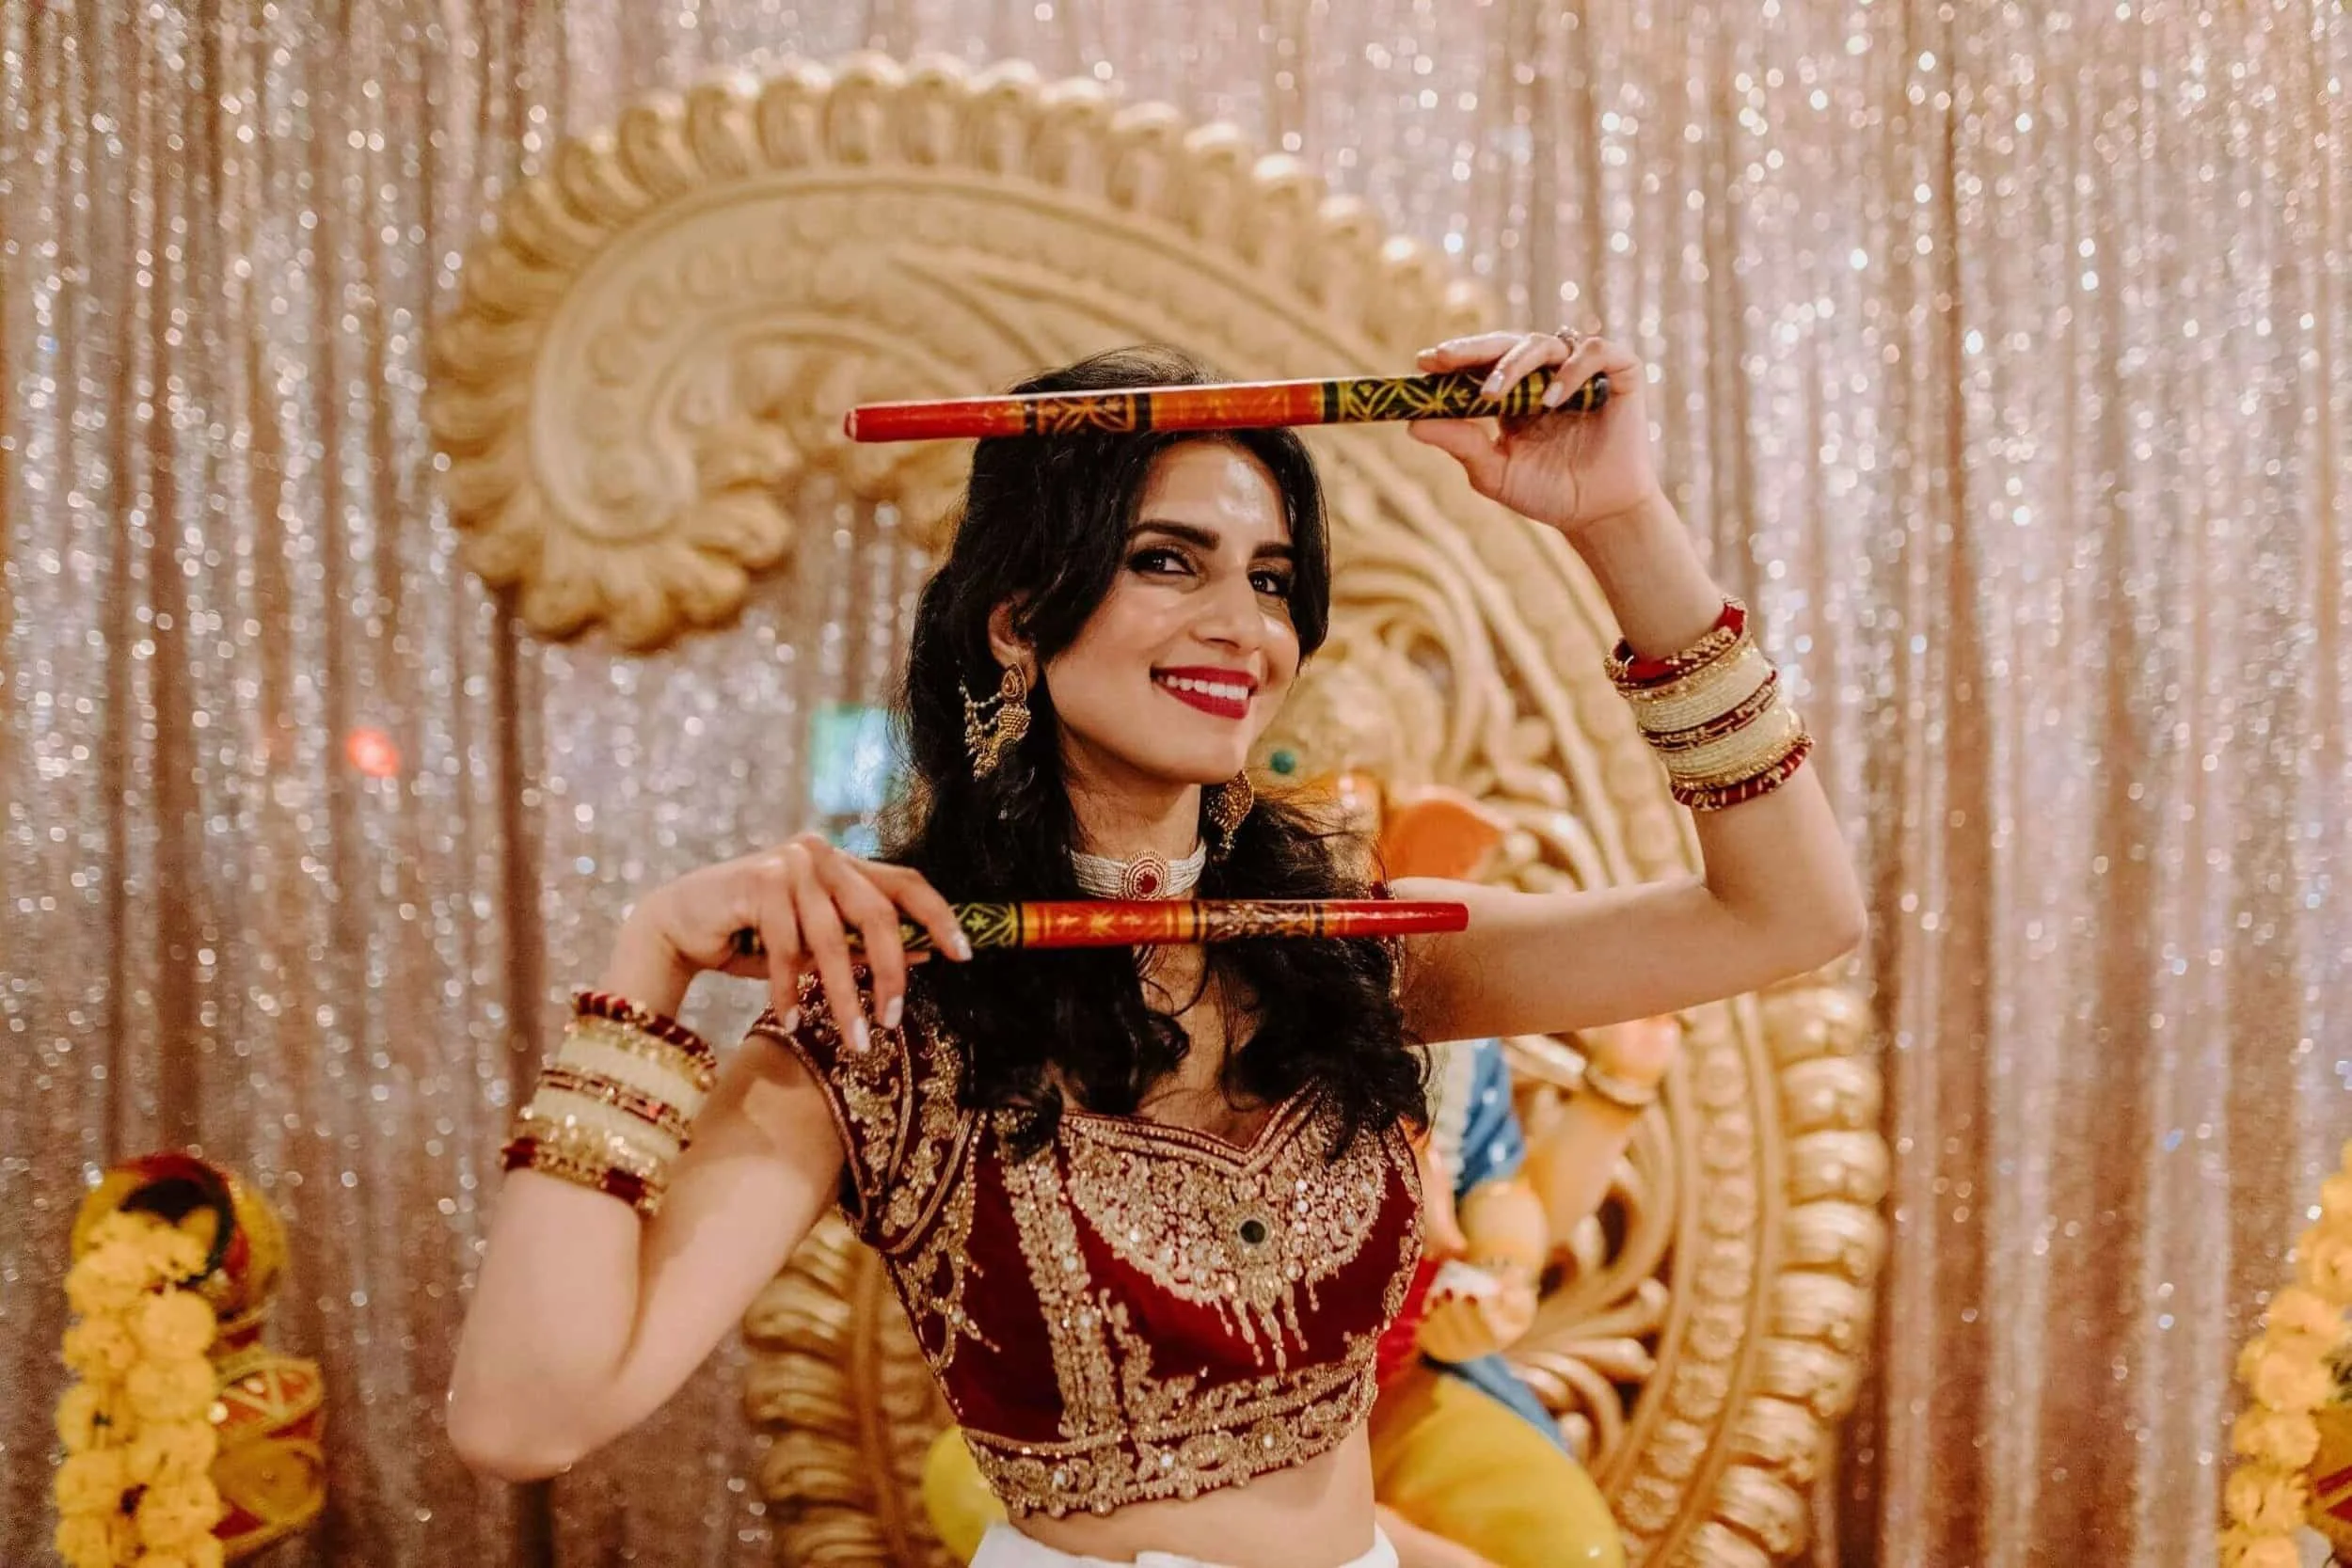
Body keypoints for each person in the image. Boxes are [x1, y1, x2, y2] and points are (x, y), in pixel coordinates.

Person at [445, 329, 1867, 1568]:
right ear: (1021, 616)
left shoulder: (1347, 952)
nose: (1237, 624)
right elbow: (523, 1416)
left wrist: (1619, 519)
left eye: (1271, 577)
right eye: (1165, 562)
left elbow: (1788, 913)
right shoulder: (893, 1010)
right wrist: (645, 968)